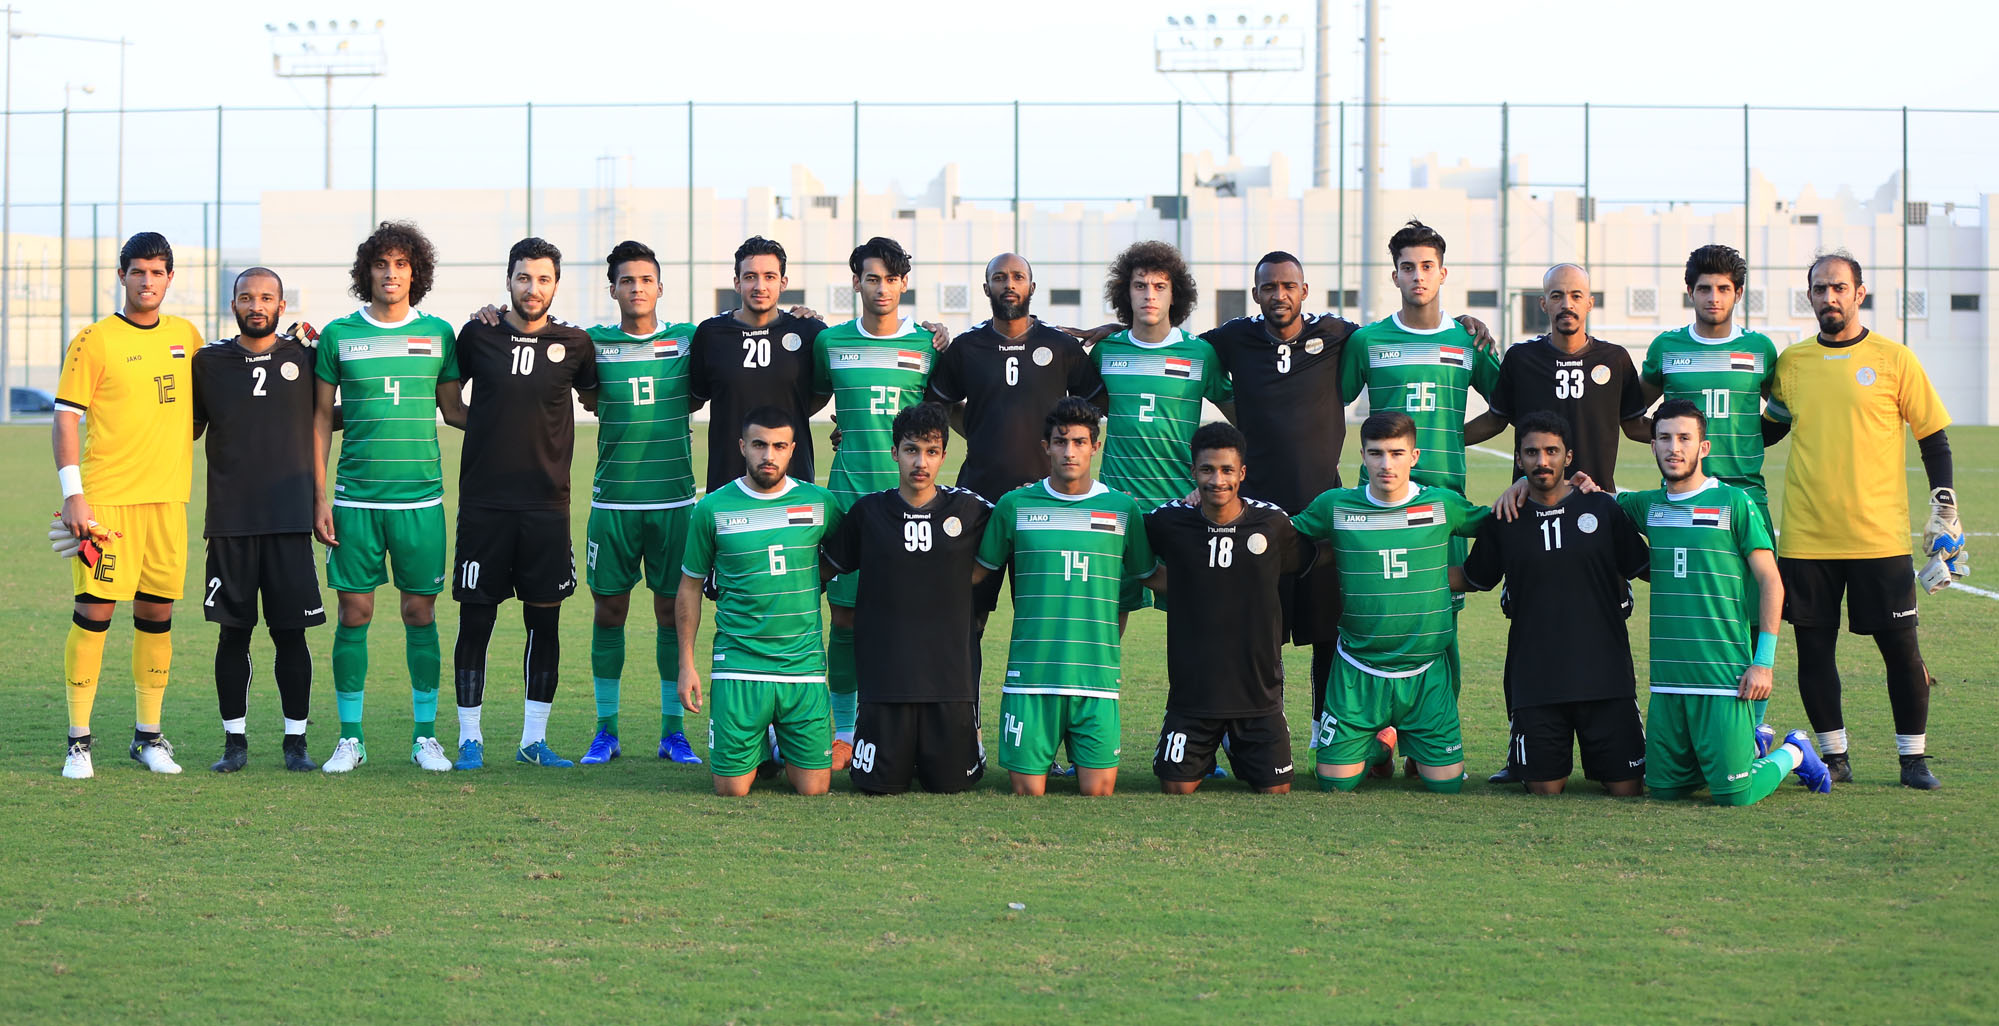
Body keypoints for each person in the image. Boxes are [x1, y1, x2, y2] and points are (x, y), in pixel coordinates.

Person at [1199, 251, 1496, 736]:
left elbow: (1406, 328)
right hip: (1255, 512)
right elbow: (1177, 345)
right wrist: (1116, 330)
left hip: (1325, 511)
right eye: (1269, 287)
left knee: (1329, 634)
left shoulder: (1340, 334)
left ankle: (1326, 728)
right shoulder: (1233, 337)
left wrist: (1462, 322)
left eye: (1289, 286)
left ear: (1304, 291)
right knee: (1258, 636)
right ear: (1256, 294)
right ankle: (1259, 732)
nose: (1279, 295)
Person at [1764, 251, 1963, 789]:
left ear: (1859, 293)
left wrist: (1945, 504)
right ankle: (1834, 757)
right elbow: (1769, 429)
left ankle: (1913, 760)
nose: (1829, 297)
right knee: (1814, 651)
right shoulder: (1792, 363)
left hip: (1879, 537)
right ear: (1809, 295)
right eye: (1819, 288)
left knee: (1901, 649)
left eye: (1838, 287)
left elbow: (1933, 437)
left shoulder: (1894, 359)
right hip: (1807, 537)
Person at [1340, 219, 1503, 775]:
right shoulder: (1367, 342)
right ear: (1394, 276)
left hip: (1443, 507)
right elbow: (1328, 403)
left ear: (1443, 273)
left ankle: (1428, 741)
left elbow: (1503, 407)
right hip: (1379, 506)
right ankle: (1376, 736)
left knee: (1439, 624)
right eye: (1407, 267)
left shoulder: (1467, 341)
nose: (1417, 276)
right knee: (1379, 617)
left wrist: (1455, 436)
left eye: (1427, 266)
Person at [1612, 400, 1831, 803]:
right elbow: (1596, 500)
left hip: (1723, 679)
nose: (1674, 448)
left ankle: (1795, 751)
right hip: (1667, 681)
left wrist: (1763, 662)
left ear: (1704, 447)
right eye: (1664, 438)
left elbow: (1771, 582)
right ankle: (1739, 747)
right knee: (1663, 792)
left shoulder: (1734, 503)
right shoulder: (1646, 506)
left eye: (1684, 438)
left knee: (1735, 795)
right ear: (1653, 446)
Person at [50, 232, 203, 778]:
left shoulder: (187, 336)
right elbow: (65, 417)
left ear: (170, 278)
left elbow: (210, 403)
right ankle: (78, 742)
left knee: (157, 615)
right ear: (122, 276)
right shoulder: (94, 340)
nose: (147, 281)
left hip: (167, 502)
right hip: (107, 506)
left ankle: (148, 737)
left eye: (157, 272)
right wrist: (74, 493)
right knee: (95, 613)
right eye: (138, 271)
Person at [440, 238, 597, 770]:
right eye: (524, 277)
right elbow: (450, 404)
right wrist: (493, 430)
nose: (533, 288)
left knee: (544, 624)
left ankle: (534, 741)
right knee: (475, 622)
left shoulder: (575, 343)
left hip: (547, 508)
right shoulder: (477, 333)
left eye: (543, 279)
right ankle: (470, 739)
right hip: (484, 506)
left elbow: (595, 398)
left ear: (556, 285)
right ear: (508, 280)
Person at [311, 221, 459, 773]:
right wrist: (319, 497)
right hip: (355, 500)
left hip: (421, 501)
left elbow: (455, 411)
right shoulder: (339, 335)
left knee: (420, 612)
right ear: (366, 272)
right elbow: (321, 419)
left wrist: (522, 417)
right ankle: (350, 738)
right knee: (354, 612)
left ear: (416, 273)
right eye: (381, 264)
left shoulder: (440, 333)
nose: (391, 274)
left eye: (401, 264)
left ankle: (426, 738)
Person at [925, 252, 1105, 679]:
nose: (1009, 284)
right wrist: (981, 429)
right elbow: (937, 408)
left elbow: (1095, 406)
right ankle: (967, 716)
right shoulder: (967, 348)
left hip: (1046, 506)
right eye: (1000, 277)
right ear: (986, 287)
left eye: (1018, 277)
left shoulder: (1060, 346)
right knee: (968, 621)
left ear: (1032, 287)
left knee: (1043, 621)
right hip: (979, 502)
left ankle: (1043, 705)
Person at [974, 397, 1165, 796]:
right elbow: (975, 573)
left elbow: (1151, 576)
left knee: (1099, 791)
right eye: (1061, 442)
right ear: (1046, 447)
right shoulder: (1014, 505)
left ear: (1096, 446)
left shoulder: (1122, 509)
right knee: (1027, 791)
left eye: (1079, 442)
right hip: (1031, 679)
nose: (1069, 452)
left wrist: (1219, 582)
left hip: (1095, 679)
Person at [1291, 412, 1487, 793]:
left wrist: (1469, 576)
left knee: (1445, 786)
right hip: (1358, 669)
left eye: (1396, 453)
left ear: (1414, 456)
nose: (1386, 464)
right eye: (1376, 453)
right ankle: (1379, 748)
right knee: (1334, 784)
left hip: (1424, 673)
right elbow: (1284, 533)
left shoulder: (1442, 505)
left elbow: (1496, 525)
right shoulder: (1336, 506)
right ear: (1362, 456)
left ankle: (1411, 741)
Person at [1455, 412, 1648, 795]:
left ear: (1568, 457)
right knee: (1544, 789)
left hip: (1605, 676)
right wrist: (1406, 569)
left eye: (1551, 451)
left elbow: (1645, 568)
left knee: (1627, 788)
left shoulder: (1603, 509)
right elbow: (1472, 578)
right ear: (1518, 458)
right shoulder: (1505, 517)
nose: (1542, 461)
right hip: (1536, 679)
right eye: (1532, 452)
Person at [1639, 244, 1784, 732]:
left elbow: (1780, 413)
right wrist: (1670, 449)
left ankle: (1754, 728)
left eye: (1724, 288)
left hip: (1745, 497)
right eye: (1704, 288)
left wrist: (1745, 443)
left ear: (1738, 293)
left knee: (1751, 614)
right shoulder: (1666, 348)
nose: (1713, 297)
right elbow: (1635, 412)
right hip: (1683, 501)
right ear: (1690, 292)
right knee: (1700, 616)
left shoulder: (1761, 350)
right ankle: (1702, 720)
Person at [189, 268, 325, 773]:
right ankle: (235, 743)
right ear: (233, 305)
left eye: (266, 297)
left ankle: (296, 743)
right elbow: (185, 428)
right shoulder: (208, 363)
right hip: (231, 522)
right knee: (233, 635)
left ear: (282, 306)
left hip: (290, 520)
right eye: (246, 297)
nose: (256, 305)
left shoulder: (306, 357)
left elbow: (331, 416)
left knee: (292, 635)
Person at [821, 402, 993, 794]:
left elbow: (1014, 528)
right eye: (911, 450)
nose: (921, 462)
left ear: (944, 456)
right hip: (885, 686)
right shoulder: (868, 513)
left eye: (931, 452)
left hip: (949, 685)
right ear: (894, 452)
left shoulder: (971, 510)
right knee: (878, 786)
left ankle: (967, 741)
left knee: (950, 786)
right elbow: (821, 571)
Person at [578, 241, 705, 767]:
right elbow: (584, 393)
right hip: (614, 503)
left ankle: (673, 733)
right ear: (612, 289)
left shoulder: (689, 340)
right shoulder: (592, 344)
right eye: (626, 280)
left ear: (660, 286)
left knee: (671, 615)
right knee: (609, 612)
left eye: (645, 279)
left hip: (674, 502)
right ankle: (605, 730)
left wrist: (802, 316)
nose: (637, 288)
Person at [675, 407, 844, 797]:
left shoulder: (820, 503)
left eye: (779, 446)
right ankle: (763, 738)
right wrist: (686, 664)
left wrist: (815, 577)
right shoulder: (712, 508)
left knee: (814, 789)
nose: (769, 455)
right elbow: (689, 587)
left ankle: (776, 741)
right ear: (742, 447)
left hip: (802, 664)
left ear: (793, 449)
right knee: (732, 790)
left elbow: (849, 551)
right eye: (759, 445)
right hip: (739, 663)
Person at [815, 236, 935, 768]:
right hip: (847, 503)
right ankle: (844, 732)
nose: (881, 288)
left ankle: (900, 726)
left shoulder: (929, 345)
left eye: (890, 278)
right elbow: (809, 396)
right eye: (871, 278)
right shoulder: (830, 342)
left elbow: (940, 417)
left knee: (908, 622)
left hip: (909, 506)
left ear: (903, 283)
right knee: (843, 621)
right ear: (856, 283)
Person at [1143, 422, 1311, 794]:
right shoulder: (1170, 521)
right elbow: (1132, 549)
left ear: (1242, 473)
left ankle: (1236, 744)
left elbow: (1301, 559)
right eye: (1207, 470)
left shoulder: (1272, 523)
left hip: (1258, 695)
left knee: (1275, 790)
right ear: (1193, 471)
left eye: (1226, 470)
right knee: (1176, 788)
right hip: (1193, 696)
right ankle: (1213, 743)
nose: (1217, 480)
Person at [1092, 241, 1234, 621]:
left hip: (1181, 505)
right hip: (1120, 506)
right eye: (1140, 285)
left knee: (1190, 621)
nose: (1149, 295)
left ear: (1175, 294)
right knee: (1108, 618)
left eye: (1159, 286)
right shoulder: (1105, 352)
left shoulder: (1200, 354)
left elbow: (1243, 423)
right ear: (1126, 292)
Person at [1475, 263, 1649, 492]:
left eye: (1576, 296)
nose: (1567, 304)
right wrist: (1440, 440)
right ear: (1543, 304)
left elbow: (1634, 426)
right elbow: (1495, 420)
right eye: (1557, 296)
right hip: (1533, 500)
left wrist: (1687, 438)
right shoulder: (1520, 359)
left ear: (1589, 303)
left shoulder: (1615, 359)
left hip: (1596, 498)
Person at [688, 237, 830, 491]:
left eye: (769, 277)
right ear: (737, 282)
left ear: (783, 283)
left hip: (793, 481)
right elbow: (694, 398)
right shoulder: (710, 334)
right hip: (727, 483)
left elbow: (824, 392)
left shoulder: (810, 331)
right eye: (750, 277)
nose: (759, 286)